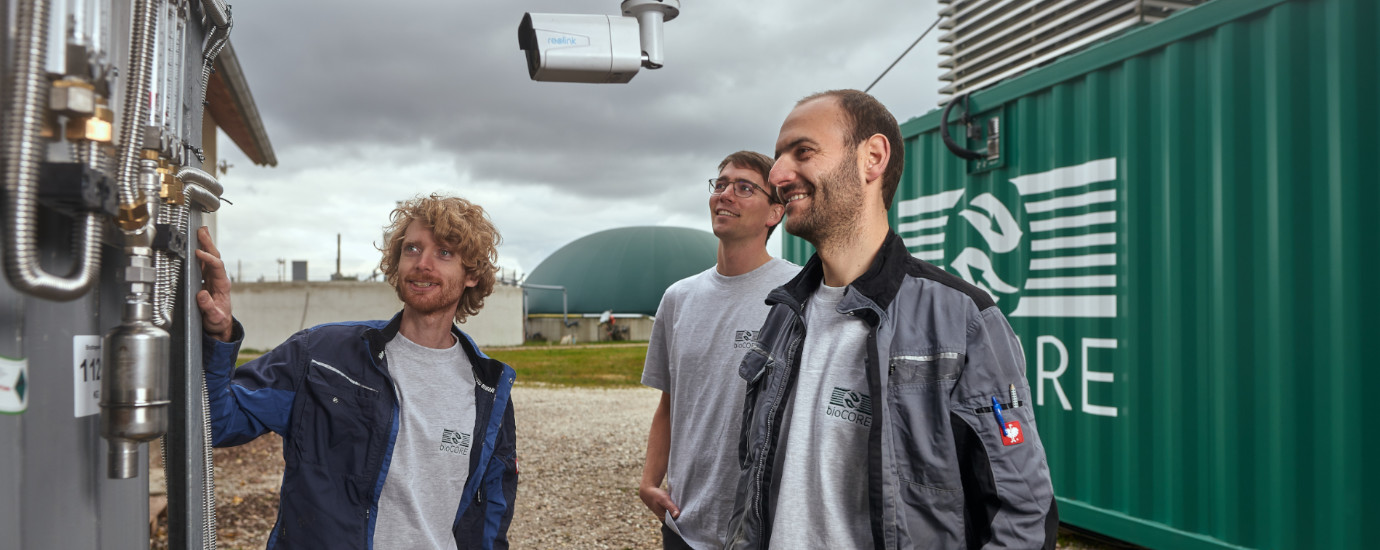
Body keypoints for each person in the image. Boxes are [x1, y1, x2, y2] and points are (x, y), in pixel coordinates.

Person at [723, 90, 1057, 549]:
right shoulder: (783, 312)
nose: (778, 175)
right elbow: (752, 480)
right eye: (779, 156)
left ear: (872, 158)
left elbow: (1020, 516)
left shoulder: (963, 321)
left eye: (802, 152)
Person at [195, 194, 518, 549]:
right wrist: (219, 336)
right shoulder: (320, 354)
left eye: (444, 253)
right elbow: (217, 423)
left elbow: (491, 515)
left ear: (471, 274)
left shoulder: (488, 388)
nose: (422, 263)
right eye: (411, 249)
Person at [638, 151, 799, 549]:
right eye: (721, 184)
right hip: (684, 525)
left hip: (761, 528)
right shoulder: (679, 298)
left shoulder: (797, 295)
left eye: (744, 188)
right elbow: (670, 403)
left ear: (774, 213)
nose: (725, 194)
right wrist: (648, 481)